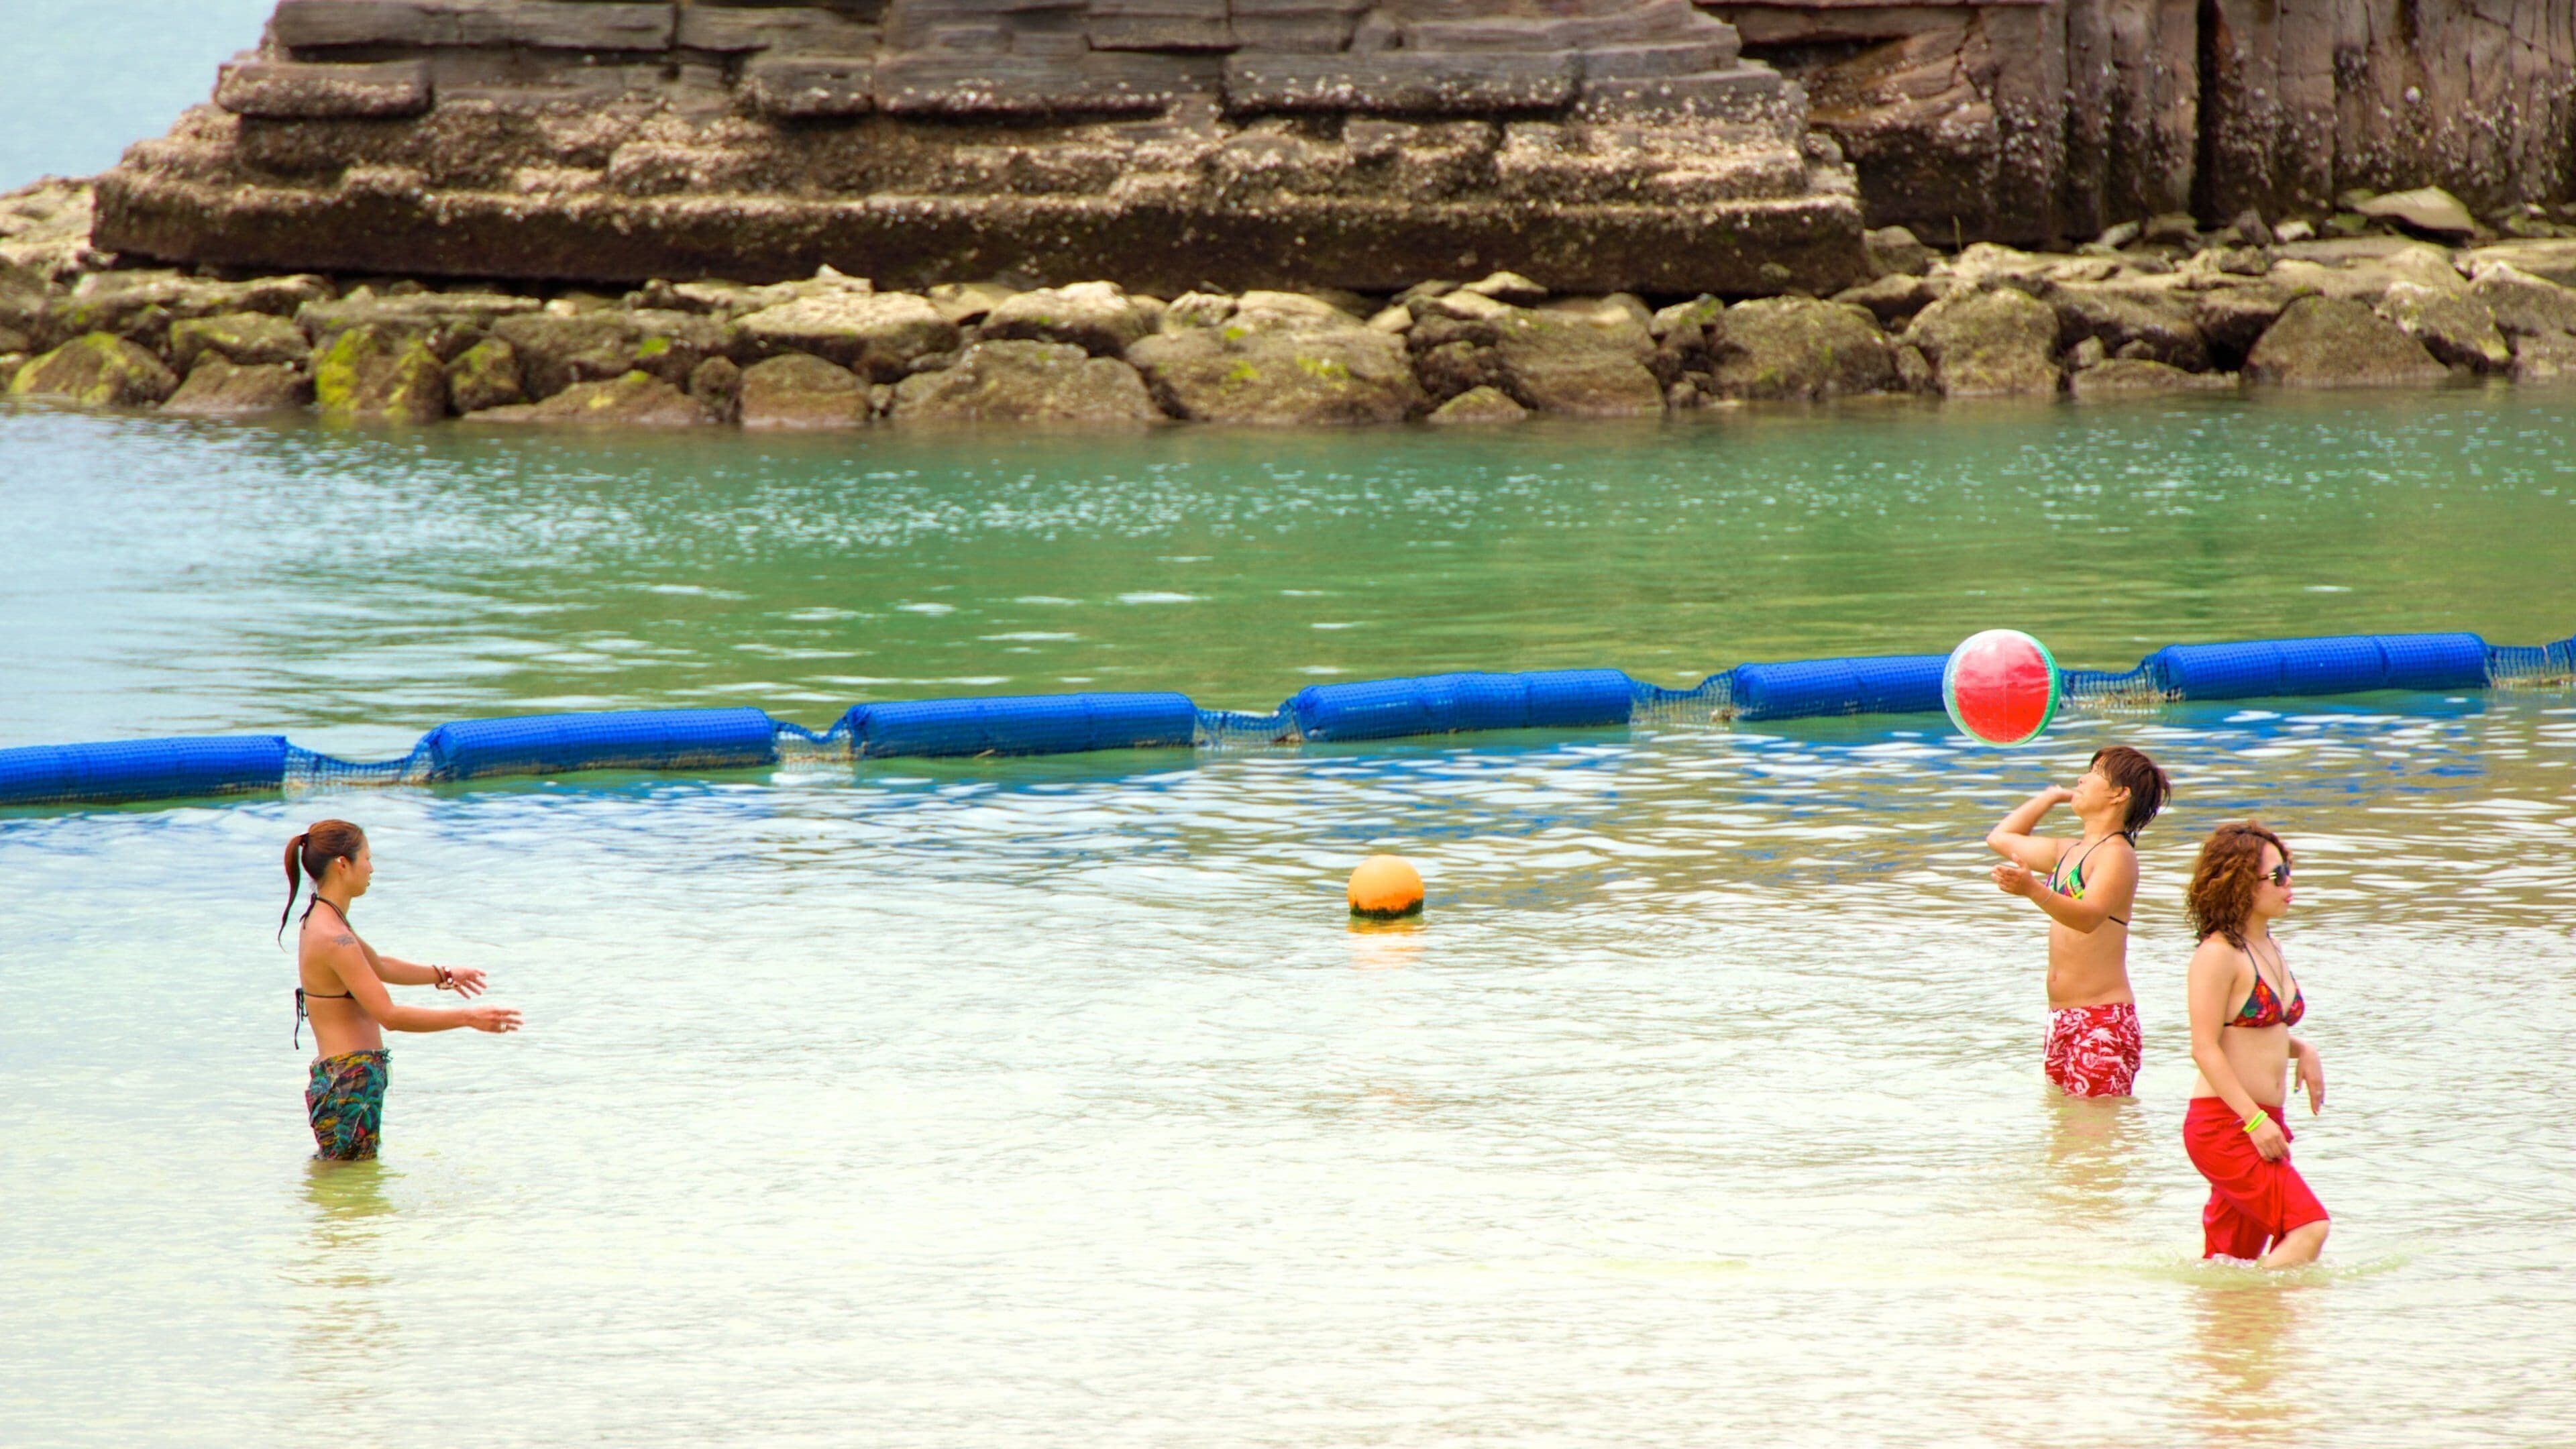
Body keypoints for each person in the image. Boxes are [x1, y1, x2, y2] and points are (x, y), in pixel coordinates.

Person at [281, 820, 520, 1161]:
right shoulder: (335, 937)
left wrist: (445, 973)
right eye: (367, 857)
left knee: (347, 1192)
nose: (372, 868)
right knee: (351, 1193)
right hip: (350, 1087)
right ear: (343, 863)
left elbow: (378, 965)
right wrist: (470, 1017)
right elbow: (389, 1016)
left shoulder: (321, 920)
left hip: (343, 1079)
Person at [2180, 821, 2328, 1267]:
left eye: (2289, 873)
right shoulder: (2218, 954)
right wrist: (2253, 1123)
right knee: (2309, 1228)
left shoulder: (2268, 945)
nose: (2290, 885)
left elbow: (2258, 1033)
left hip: (2261, 1122)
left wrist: (2303, 1049)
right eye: (2278, 876)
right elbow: (2205, 1047)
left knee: (2230, 1263)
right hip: (2227, 1126)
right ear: (2242, 882)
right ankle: (2273, 1319)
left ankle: (2237, 1330)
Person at [1985, 745, 2172, 1097]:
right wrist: (2051, 797)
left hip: (2101, 1019)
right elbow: (2000, 838)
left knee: (2096, 1137)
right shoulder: (2067, 852)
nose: (2081, 779)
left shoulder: (2118, 855)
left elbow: (2088, 918)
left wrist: (2031, 890)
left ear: (2119, 794)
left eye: (2095, 773)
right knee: (2066, 1135)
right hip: (2062, 1018)